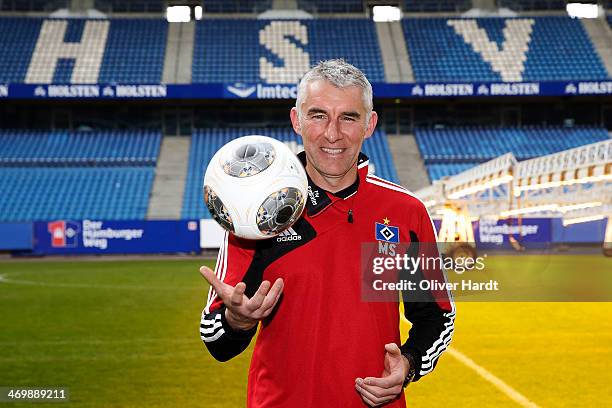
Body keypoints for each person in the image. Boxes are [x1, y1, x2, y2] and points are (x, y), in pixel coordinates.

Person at [199, 59, 455, 407]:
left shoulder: (406, 212)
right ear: (296, 120)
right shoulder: (259, 213)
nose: (332, 133)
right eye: (318, 115)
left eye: (349, 117)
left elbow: (437, 316)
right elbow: (217, 342)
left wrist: (408, 365)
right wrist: (237, 319)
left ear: (370, 124)